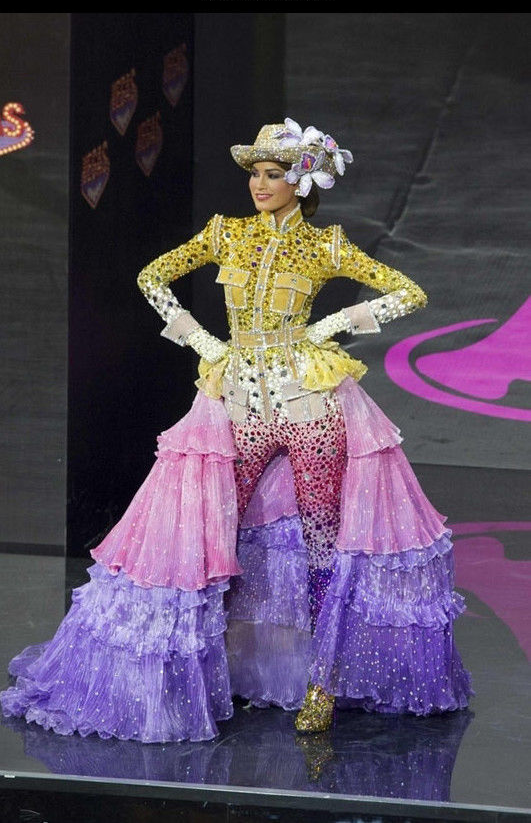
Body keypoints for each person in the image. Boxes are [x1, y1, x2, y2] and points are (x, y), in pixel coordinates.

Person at [1, 119, 472, 742]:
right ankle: (208, 666)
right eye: (254, 173)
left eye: (273, 174)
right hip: (242, 399)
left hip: (307, 401)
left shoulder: (325, 246)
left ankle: (323, 683)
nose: (258, 184)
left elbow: (407, 292)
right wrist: (201, 341)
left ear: (301, 182)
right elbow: (151, 277)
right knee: (218, 530)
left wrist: (330, 327)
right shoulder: (227, 235)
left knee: (322, 540)